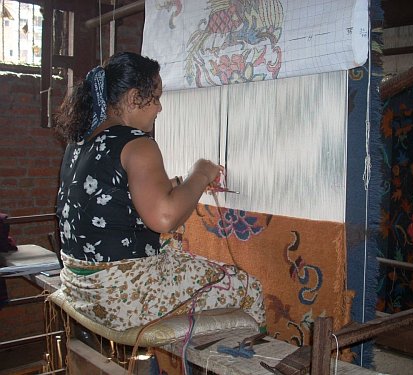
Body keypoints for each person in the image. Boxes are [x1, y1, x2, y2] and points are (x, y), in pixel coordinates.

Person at [54, 51, 265, 331]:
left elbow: (114, 199)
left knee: (175, 252)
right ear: (132, 99)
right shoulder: (137, 143)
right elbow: (164, 218)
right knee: (248, 288)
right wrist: (200, 173)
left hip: (80, 288)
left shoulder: (79, 143)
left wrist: (179, 184)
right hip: (124, 297)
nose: (160, 108)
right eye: (156, 97)